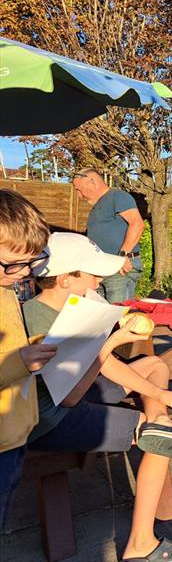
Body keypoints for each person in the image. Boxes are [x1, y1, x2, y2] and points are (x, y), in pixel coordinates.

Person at [23, 232, 172, 561]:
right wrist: (109, 341)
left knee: (154, 365)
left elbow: (105, 365)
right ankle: (140, 544)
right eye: (92, 275)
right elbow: (69, 396)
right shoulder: (42, 323)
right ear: (67, 277)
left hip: (75, 396)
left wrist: (161, 395)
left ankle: (158, 419)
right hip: (52, 420)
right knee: (159, 438)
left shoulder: (74, 307)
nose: (98, 282)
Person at [0, 189, 57, 531]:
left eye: (33, 261)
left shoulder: (6, 293)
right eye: (14, 263)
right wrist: (20, 360)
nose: (24, 272)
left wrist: (39, 346)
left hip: (14, 436)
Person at [72, 169, 145, 303]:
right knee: (103, 314)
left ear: (92, 183)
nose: (78, 194)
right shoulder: (98, 206)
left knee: (118, 314)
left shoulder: (117, 197)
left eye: (80, 189)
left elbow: (137, 224)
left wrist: (123, 256)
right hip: (102, 267)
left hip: (119, 268)